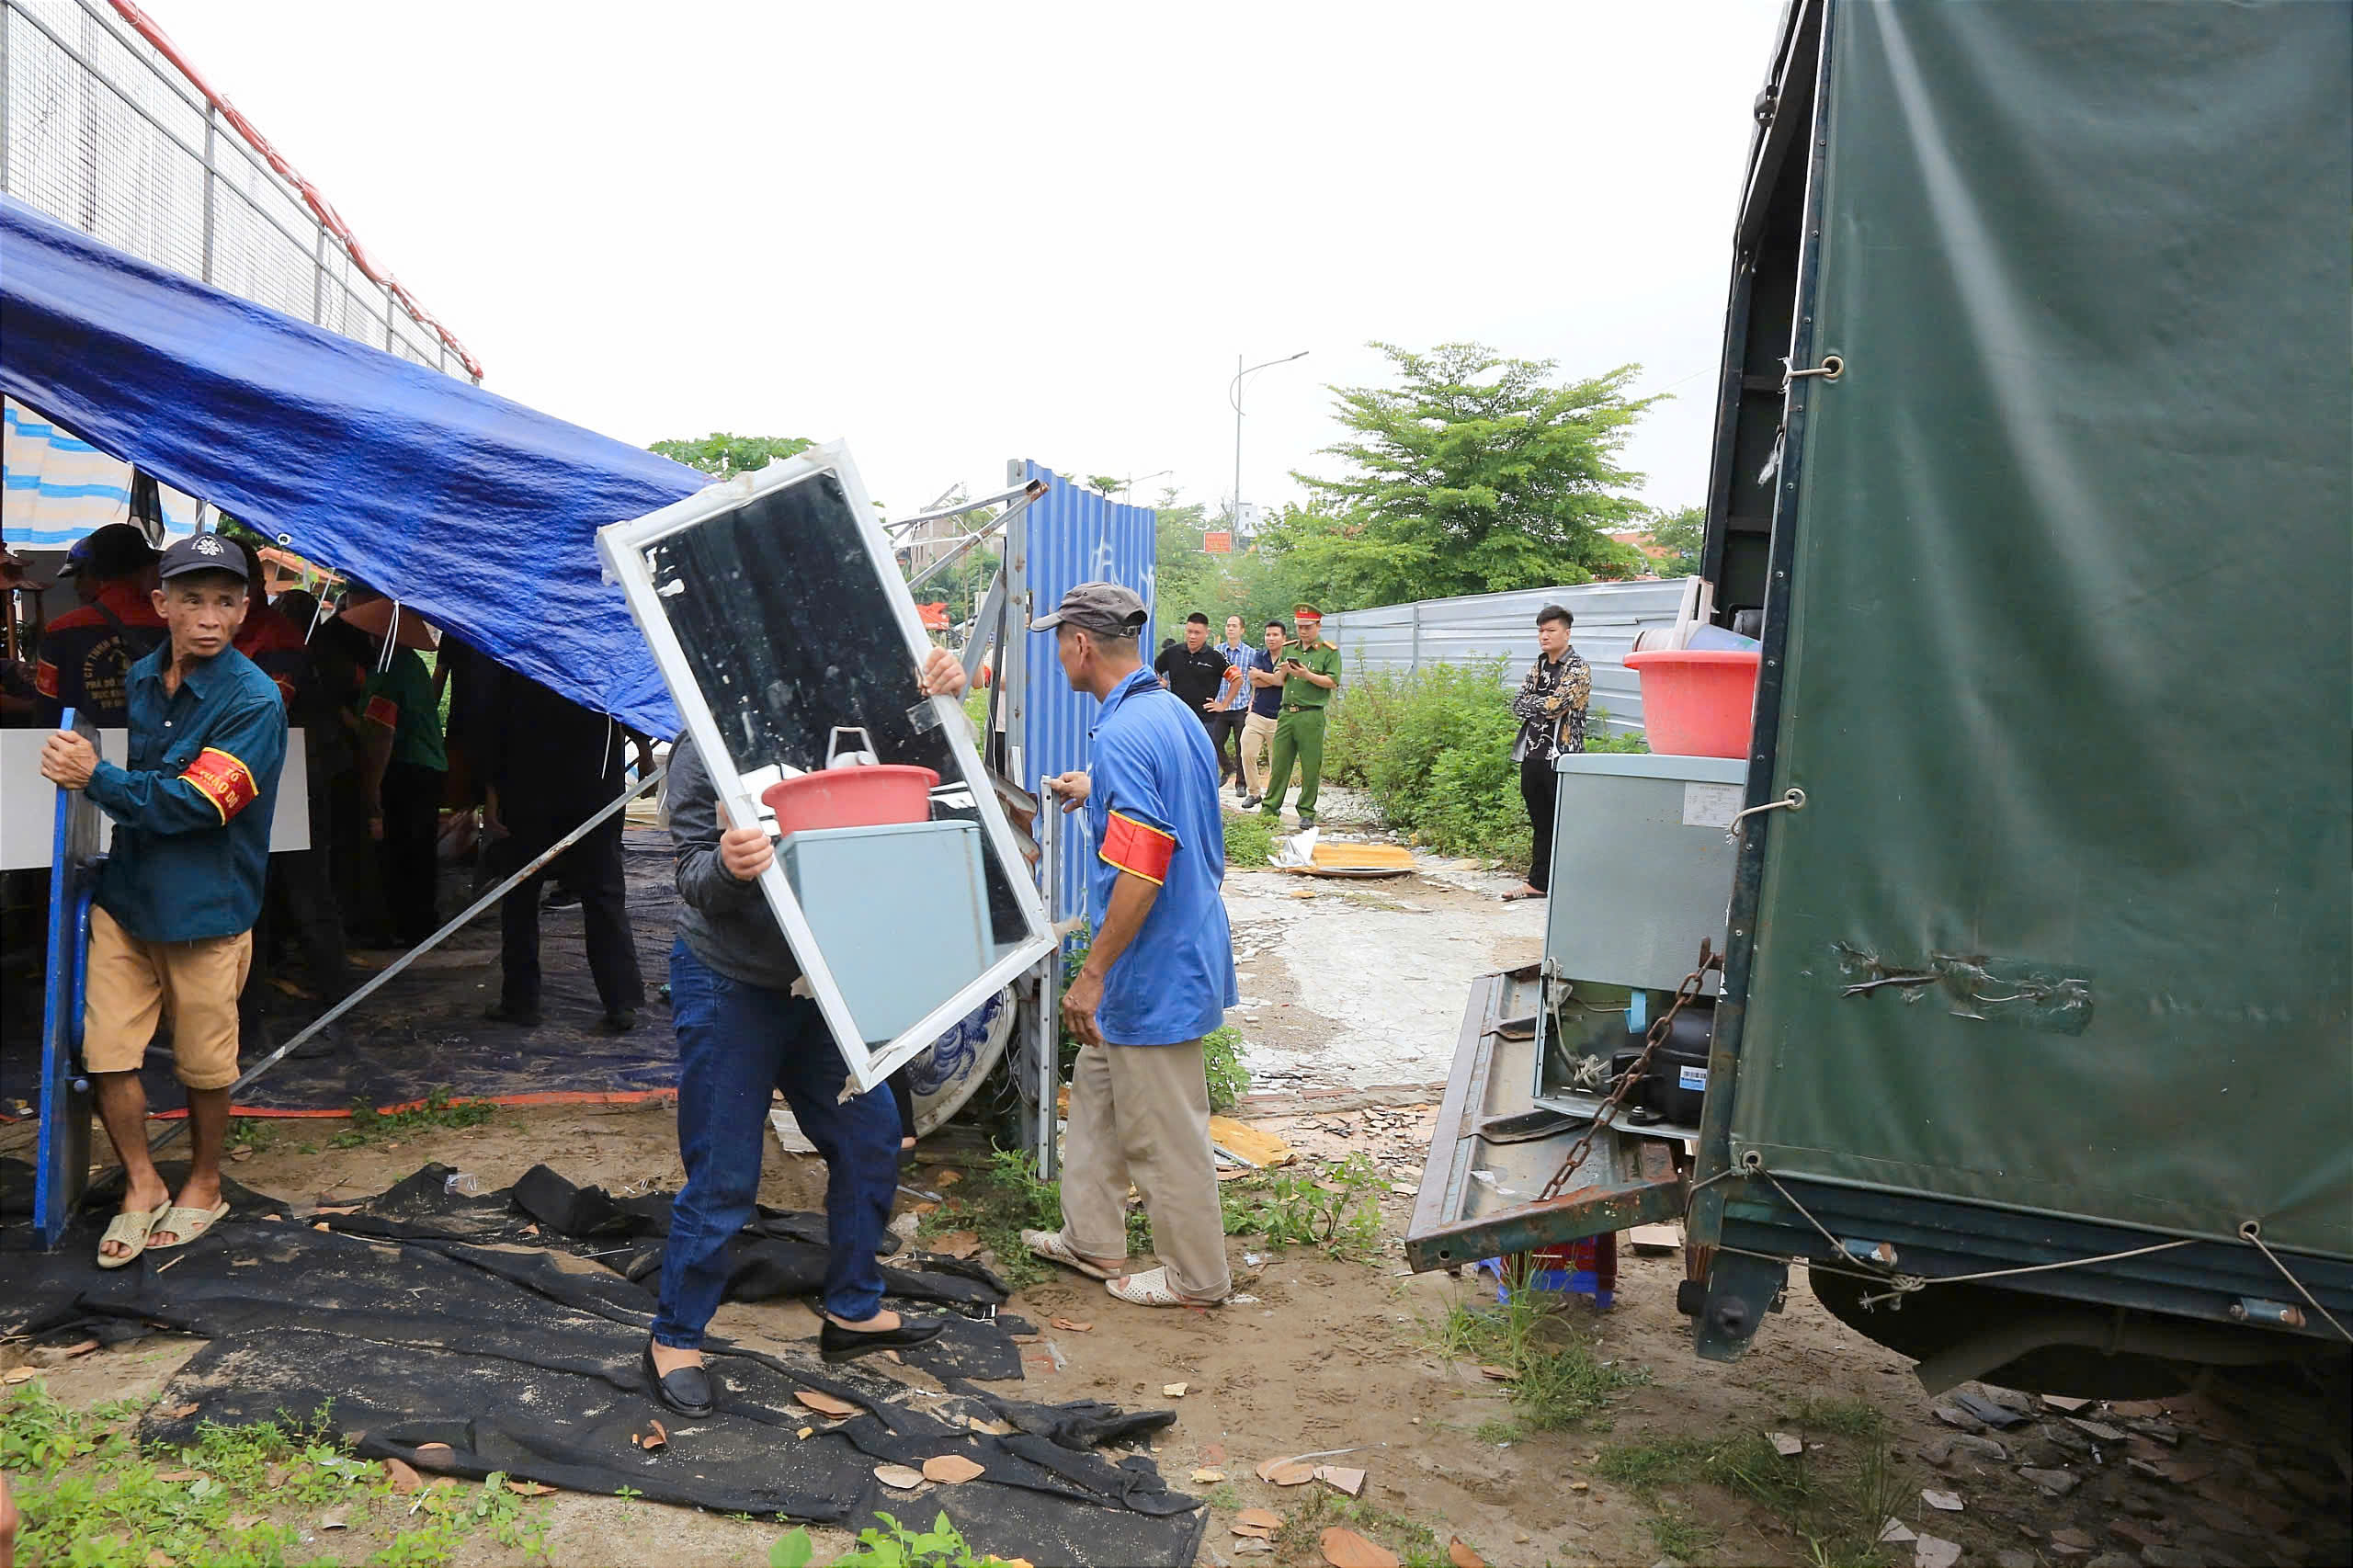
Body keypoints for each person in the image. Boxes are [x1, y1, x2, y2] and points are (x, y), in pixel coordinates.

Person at [642, 646, 972, 1416]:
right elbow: (690, 873)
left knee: (870, 1138)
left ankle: (852, 1307)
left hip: (820, 984)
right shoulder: (706, 742)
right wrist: (728, 863)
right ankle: (675, 1338)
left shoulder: (850, 722)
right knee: (724, 1177)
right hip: (730, 983)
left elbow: (938, 778)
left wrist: (945, 700)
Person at [38, 534, 288, 1265]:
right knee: (107, 1051)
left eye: (223, 602)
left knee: (205, 1065)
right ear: (161, 604)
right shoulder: (146, 677)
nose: (207, 617)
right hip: (128, 899)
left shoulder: (255, 700)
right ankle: (142, 1184)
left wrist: (96, 779)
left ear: (244, 611)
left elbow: (197, 806)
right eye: (190, 600)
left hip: (206, 911)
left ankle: (205, 1184)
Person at [1020, 583, 1237, 1309]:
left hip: (1152, 964)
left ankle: (1197, 1279)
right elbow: (1165, 807)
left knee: (1163, 1130)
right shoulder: (1167, 712)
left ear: (1081, 645)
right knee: (1098, 1094)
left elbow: (1143, 869)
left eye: (1059, 642)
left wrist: (1095, 974)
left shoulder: (1123, 732)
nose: (1058, 655)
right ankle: (1091, 1238)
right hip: (1170, 950)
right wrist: (1100, 790)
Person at [476, 665, 646, 1031]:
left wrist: (490, 797)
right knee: (600, 892)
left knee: (523, 892)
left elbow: (490, 725)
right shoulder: (594, 648)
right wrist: (644, 751)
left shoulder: (516, 652)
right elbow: (634, 703)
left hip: (534, 788)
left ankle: (522, 1000)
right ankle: (620, 1001)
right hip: (585, 787)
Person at [345, 585, 449, 947]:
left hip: (406, 769)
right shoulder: (410, 664)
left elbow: (382, 733)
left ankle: (407, 928)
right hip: (424, 766)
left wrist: (372, 790)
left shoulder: (390, 669)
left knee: (403, 852)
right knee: (416, 851)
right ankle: (417, 925)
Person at [32, 523, 165, 727]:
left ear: (95, 573)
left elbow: (47, 715)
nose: (76, 587)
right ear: (145, 570)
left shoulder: (60, 631)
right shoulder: (175, 626)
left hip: (83, 754)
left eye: (80, 576)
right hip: (160, 754)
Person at [1505, 605, 1591, 903]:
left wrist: (1538, 703)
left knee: (1564, 822)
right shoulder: (1539, 666)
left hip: (1562, 757)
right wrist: (1542, 703)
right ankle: (1538, 882)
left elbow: (1556, 707)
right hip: (1533, 754)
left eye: (1550, 630)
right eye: (1541, 630)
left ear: (1566, 633)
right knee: (1541, 822)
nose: (1544, 636)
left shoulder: (1578, 668)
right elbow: (1517, 704)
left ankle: (1571, 884)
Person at [1257, 603, 1342, 828]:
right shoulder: (1289, 648)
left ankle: (1306, 811)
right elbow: (1278, 681)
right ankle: (1270, 808)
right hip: (1287, 713)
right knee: (1279, 764)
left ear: (1318, 625)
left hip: (1311, 714)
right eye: (1299, 627)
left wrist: (1307, 675)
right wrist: (1282, 671)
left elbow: (1332, 682)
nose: (1303, 631)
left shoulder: (1328, 651)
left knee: (1310, 765)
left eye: (1308, 627)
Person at [1152, 611, 1237, 744]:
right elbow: (1153, 669)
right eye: (1189, 632)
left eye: (1197, 633)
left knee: (1202, 761)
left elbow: (1237, 679)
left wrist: (1223, 704)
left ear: (1206, 633)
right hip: (1177, 717)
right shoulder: (1172, 652)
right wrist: (1160, 681)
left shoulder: (1215, 656)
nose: (1192, 636)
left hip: (1205, 720)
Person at [1236, 618, 1288, 809]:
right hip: (1257, 713)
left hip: (1280, 716)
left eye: (1275, 635)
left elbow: (1282, 681)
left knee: (1278, 761)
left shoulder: (1288, 657)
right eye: (1268, 634)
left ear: (1283, 637)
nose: (1271, 638)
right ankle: (1254, 793)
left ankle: (1273, 800)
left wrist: (1267, 677)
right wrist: (1272, 678)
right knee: (1247, 752)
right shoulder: (1260, 655)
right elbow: (1254, 681)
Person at [1207, 614, 1258, 791]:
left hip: (1240, 707)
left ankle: (1241, 784)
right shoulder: (1216, 652)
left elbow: (1255, 682)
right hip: (1220, 705)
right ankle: (1227, 768)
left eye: (1234, 626)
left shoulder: (1251, 654)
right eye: (1228, 625)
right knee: (1214, 742)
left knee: (1241, 747)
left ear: (1242, 630)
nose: (1230, 628)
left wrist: (1253, 702)